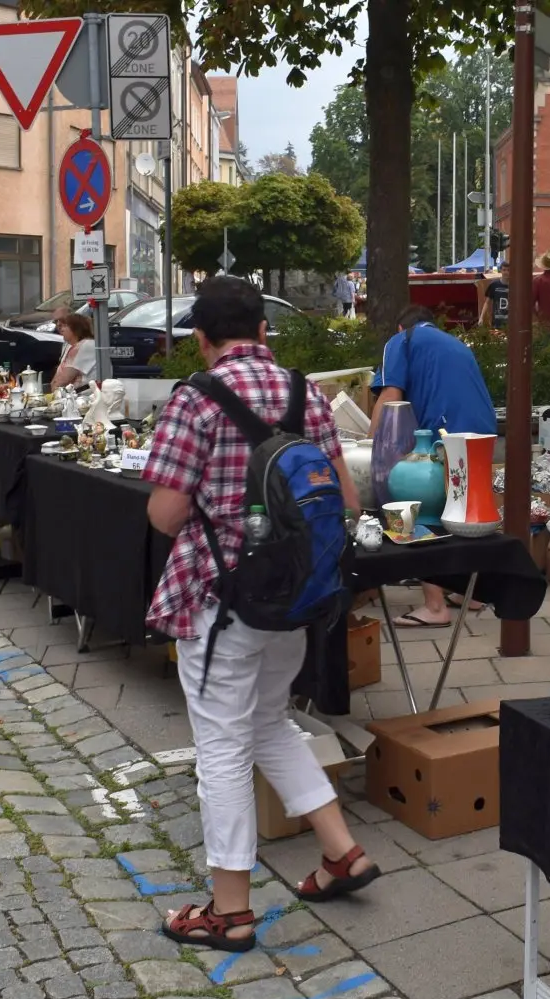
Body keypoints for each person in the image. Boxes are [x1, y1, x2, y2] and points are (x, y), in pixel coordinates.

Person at [145, 276, 382, 952]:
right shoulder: (305, 393)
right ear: (262, 330)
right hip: (295, 596)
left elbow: (165, 514)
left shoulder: (196, 398)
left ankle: (230, 911)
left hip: (224, 599)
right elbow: (345, 499)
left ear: (201, 338)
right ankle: (342, 852)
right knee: (269, 722)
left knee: (222, 745)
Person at [374, 305, 498, 627]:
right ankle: (472, 592)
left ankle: (434, 606)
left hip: (444, 431)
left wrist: (369, 441)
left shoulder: (402, 340)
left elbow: (390, 396)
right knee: (463, 509)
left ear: (401, 327)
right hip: (484, 429)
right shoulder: (455, 344)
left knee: (422, 507)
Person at [51, 311, 100, 389]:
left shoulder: (86, 345)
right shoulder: (71, 345)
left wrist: (55, 386)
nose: (61, 329)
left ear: (76, 328)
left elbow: (64, 379)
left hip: (84, 393)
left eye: (65, 326)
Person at [485, 254, 513, 329]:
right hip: (497, 322)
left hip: (511, 323)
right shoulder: (494, 285)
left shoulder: (515, 286)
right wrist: (481, 317)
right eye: (504, 270)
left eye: (508, 270)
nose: (506, 272)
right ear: (500, 270)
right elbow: (487, 302)